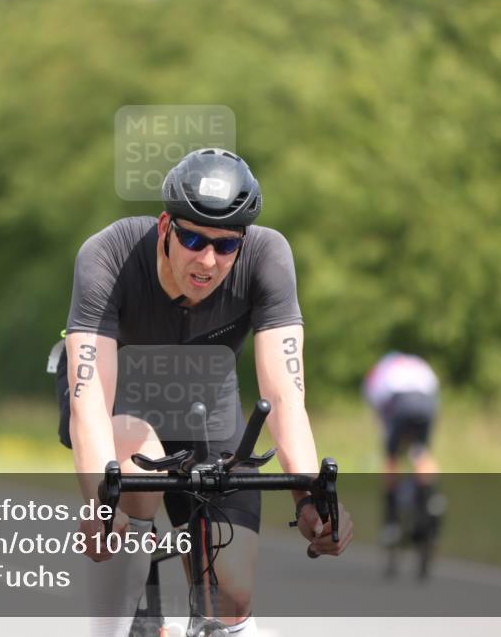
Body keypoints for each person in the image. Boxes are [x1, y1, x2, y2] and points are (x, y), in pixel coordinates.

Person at [57, 148, 353, 636]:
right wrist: (97, 505)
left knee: (231, 597)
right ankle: (117, 624)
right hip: (119, 404)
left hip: (205, 408)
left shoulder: (268, 255)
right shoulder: (108, 254)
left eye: (225, 245)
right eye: (192, 238)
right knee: (135, 469)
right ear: (164, 226)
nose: (208, 260)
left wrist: (309, 497)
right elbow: (89, 403)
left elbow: (284, 396)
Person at [362, 351, 440, 546]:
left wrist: (389, 441)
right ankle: (430, 497)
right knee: (421, 453)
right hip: (427, 402)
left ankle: (391, 522)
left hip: (401, 402)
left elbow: (380, 414)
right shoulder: (418, 363)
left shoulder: (379, 371)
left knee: (391, 459)